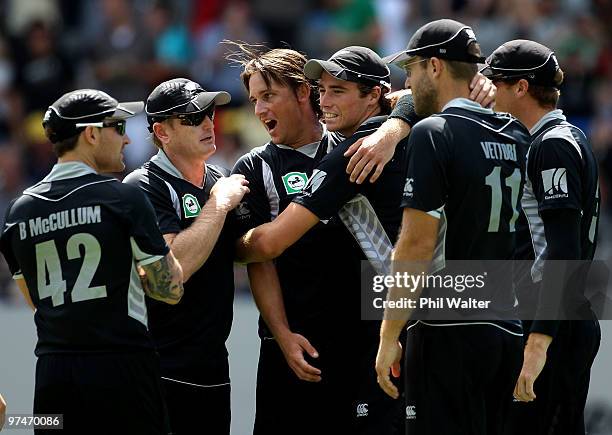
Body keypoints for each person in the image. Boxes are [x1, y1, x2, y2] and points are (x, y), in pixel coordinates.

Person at [374, 19, 531, 435]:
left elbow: (415, 244)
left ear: (436, 67)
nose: (406, 82)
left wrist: (389, 333)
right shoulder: (515, 133)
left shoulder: (434, 132)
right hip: (506, 329)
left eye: (412, 69)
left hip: (448, 328)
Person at [0, 89, 184, 435]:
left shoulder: (18, 211)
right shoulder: (123, 197)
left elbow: (33, 301)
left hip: (52, 376)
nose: (127, 139)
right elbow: (170, 290)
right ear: (91, 133)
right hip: (122, 370)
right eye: (118, 127)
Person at [481, 39, 601, 435]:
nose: (491, 91)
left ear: (521, 87)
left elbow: (563, 251)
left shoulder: (552, 146)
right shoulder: (561, 138)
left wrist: (538, 341)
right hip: (561, 319)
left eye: (497, 82)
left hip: (554, 323)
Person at [123, 78, 249, 435]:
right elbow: (174, 269)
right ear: (162, 132)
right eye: (194, 118)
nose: (209, 124)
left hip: (212, 364)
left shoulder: (220, 178)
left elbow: (246, 251)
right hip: (161, 367)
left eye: (209, 113)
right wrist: (219, 205)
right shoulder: (143, 185)